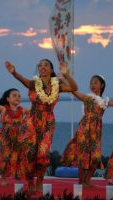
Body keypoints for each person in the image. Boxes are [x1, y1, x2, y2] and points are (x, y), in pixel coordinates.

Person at [5, 59, 78, 193]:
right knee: (29, 153)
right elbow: (23, 80)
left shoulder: (57, 85)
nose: (42, 67)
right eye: (40, 65)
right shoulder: (34, 84)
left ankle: (40, 180)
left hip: (47, 122)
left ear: (51, 70)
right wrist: (13, 72)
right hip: (32, 121)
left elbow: (74, 88)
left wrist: (66, 74)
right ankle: (30, 181)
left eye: (46, 65)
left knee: (42, 154)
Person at [61, 75, 113, 187]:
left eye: (95, 82)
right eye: (91, 83)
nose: (92, 85)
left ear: (102, 85)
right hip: (85, 128)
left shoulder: (104, 101)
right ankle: (81, 181)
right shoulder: (88, 97)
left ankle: (87, 180)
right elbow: (75, 92)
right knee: (83, 155)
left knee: (95, 157)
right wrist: (65, 81)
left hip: (96, 130)